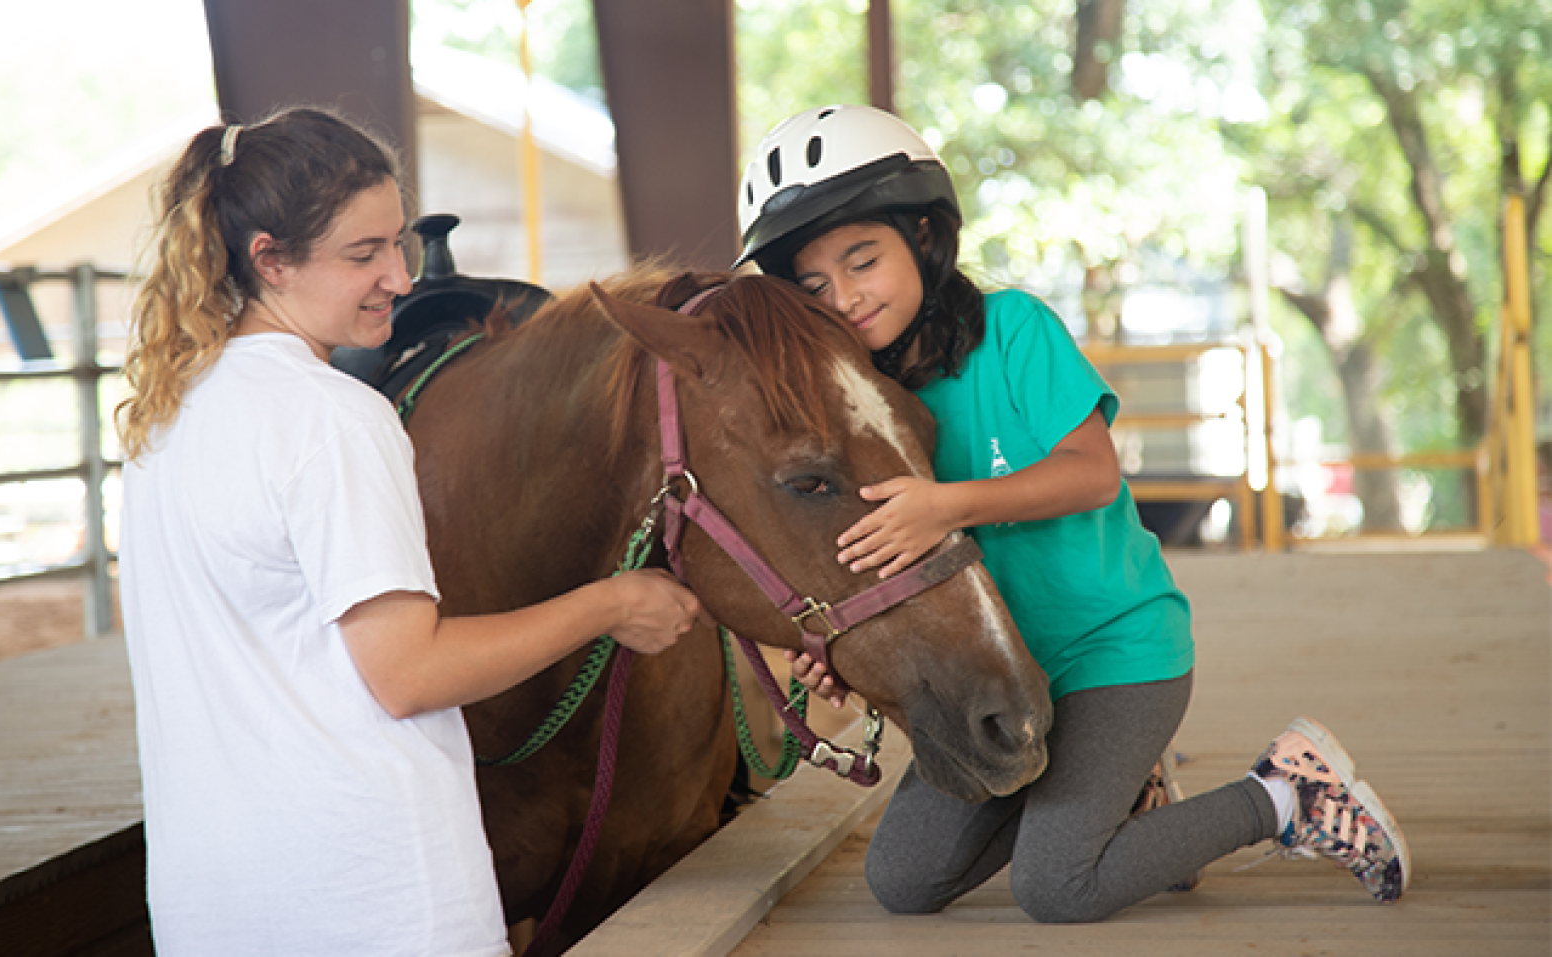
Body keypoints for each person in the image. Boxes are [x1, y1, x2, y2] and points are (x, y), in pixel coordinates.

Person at [734, 104, 1408, 921]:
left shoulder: (1013, 329)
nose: (843, 296)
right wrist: (848, 660)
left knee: (1056, 884)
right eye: (813, 284)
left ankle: (1284, 794)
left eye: (862, 259)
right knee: (903, 880)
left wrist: (946, 504)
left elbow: (1092, 473)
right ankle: (1122, 796)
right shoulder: (857, 408)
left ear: (921, 235)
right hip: (997, 679)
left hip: (1112, 653)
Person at [116, 107, 700, 956]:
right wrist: (609, 603)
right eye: (363, 254)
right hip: (375, 900)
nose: (398, 275)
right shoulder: (335, 417)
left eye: (399, 242)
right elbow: (408, 671)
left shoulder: (165, 415)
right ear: (269, 258)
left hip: (212, 905)